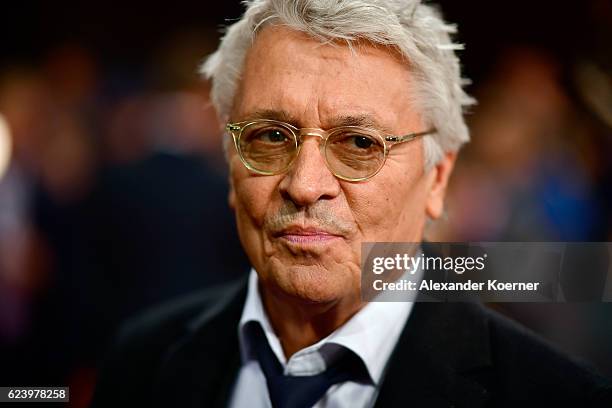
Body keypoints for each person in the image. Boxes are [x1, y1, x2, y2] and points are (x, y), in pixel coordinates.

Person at [90, 1, 611, 406]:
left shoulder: (557, 396)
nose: (305, 183)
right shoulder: (141, 361)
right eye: (271, 136)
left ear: (438, 179)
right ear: (229, 162)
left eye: (360, 143)